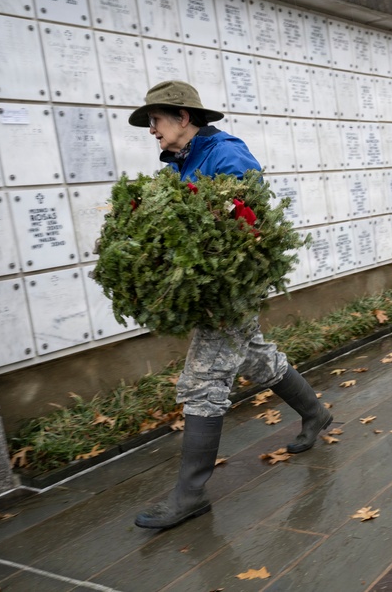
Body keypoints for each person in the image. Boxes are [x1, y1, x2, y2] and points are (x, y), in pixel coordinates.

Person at [126, 80, 332, 530]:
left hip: (231, 288)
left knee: (203, 380)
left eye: (155, 120)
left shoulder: (226, 154)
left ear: (183, 118)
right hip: (212, 288)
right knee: (256, 358)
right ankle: (316, 413)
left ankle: (191, 494)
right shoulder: (180, 163)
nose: (151, 131)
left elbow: (244, 222)